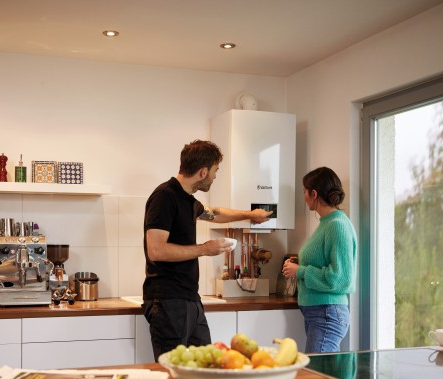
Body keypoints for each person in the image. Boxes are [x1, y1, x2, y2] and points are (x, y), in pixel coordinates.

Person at [142, 139, 272, 360]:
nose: (215, 176)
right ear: (203, 172)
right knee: (175, 371)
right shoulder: (164, 196)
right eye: (215, 171)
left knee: (207, 366)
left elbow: (215, 212)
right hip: (168, 301)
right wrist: (204, 249)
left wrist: (250, 215)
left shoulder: (189, 201)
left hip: (190, 300)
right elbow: (156, 250)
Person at [282, 166, 357, 353]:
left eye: (304, 192)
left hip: (327, 313)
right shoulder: (327, 223)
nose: (304, 196)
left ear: (313, 194)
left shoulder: (337, 226)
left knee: (318, 376)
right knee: (320, 375)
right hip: (319, 313)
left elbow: (340, 278)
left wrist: (300, 271)